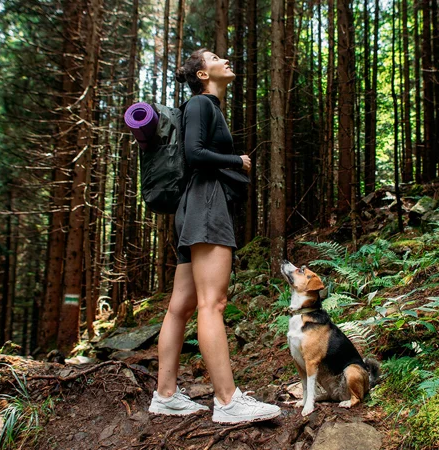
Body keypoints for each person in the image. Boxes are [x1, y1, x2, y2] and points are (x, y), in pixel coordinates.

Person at [147, 48, 281, 424]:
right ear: (203, 74)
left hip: (193, 208)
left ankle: (165, 395)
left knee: (181, 306)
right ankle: (227, 401)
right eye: (215, 58)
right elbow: (194, 152)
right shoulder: (202, 104)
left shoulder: (204, 106)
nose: (225, 60)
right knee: (213, 303)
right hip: (206, 203)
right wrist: (236, 161)